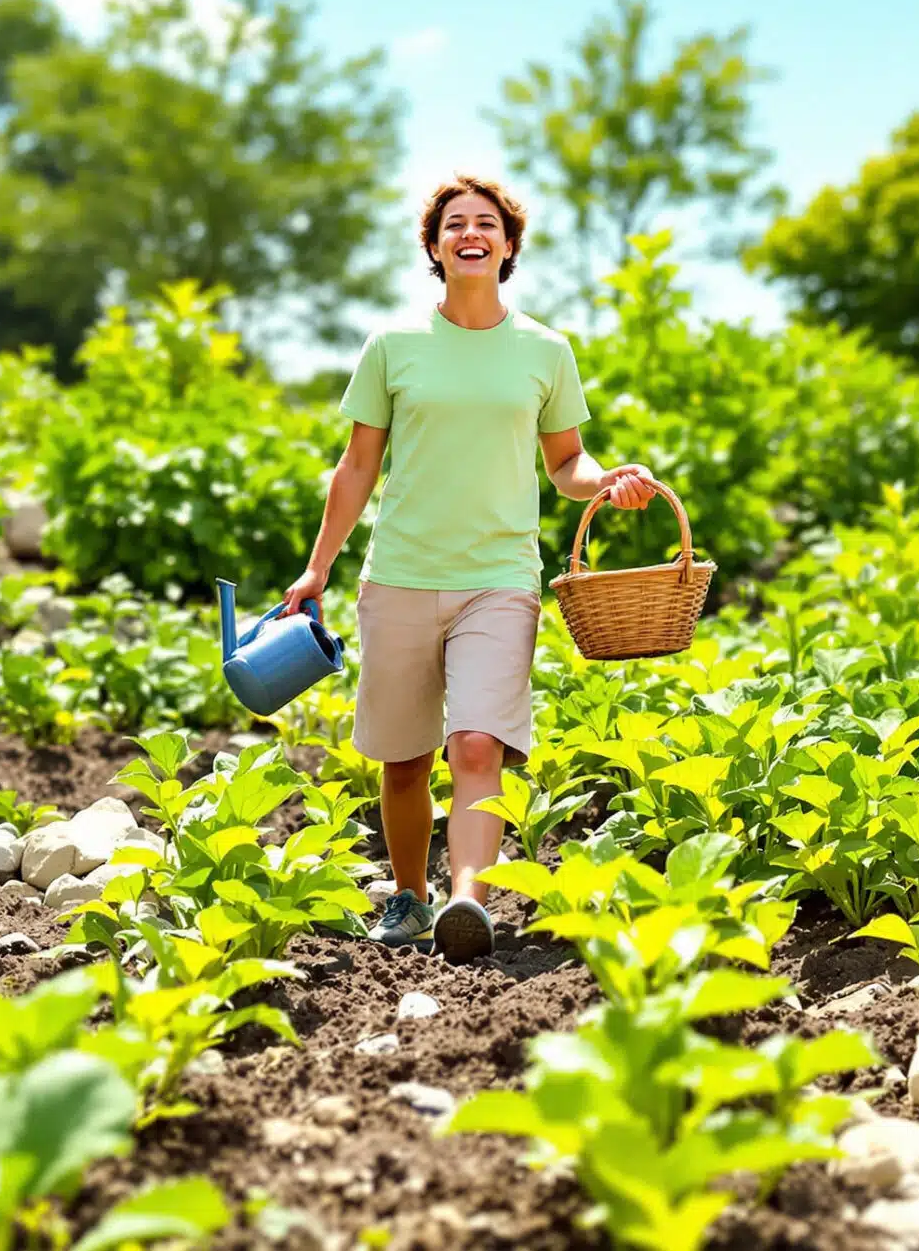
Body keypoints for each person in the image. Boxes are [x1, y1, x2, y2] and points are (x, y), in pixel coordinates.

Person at [279, 174, 657, 961]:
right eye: (455, 224)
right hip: (402, 574)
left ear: (508, 246)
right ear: (435, 247)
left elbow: (567, 464)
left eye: (487, 223)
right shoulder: (393, 347)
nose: (471, 233)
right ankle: (411, 898)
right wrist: (317, 569)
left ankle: (467, 902)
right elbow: (355, 468)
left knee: (478, 745)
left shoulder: (546, 351)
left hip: (501, 576)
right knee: (406, 756)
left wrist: (610, 481)